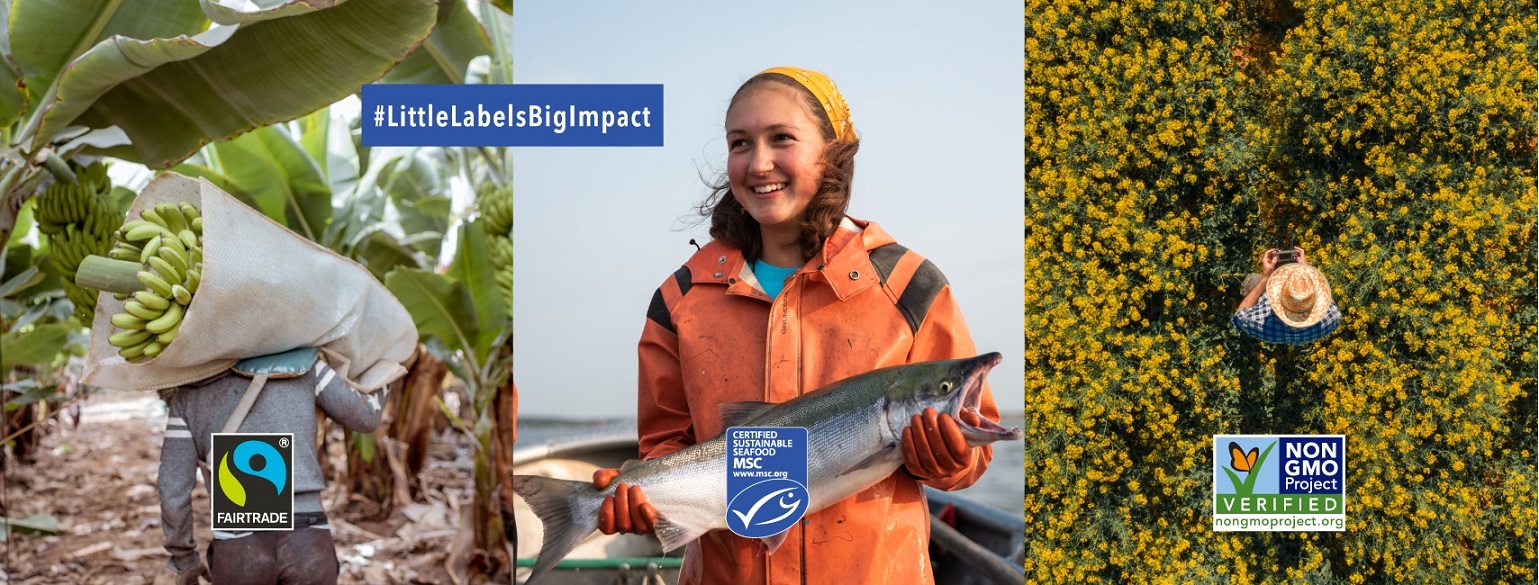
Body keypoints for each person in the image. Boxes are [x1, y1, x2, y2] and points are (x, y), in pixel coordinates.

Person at [589, 67, 1002, 584]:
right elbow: (666, 444)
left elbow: (970, 459)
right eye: (740, 143)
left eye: (781, 138)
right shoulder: (680, 300)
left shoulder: (909, 285)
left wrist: (949, 456)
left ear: (834, 152)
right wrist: (641, 499)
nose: (759, 162)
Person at [158, 348, 392, 584]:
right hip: (308, 543)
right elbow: (366, 417)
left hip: (239, 550)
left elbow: (172, 490)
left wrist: (184, 558)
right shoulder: (305, 367)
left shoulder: (188, 397)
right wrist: (386, 372)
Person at [1232, 246, 1341, 344]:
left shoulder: (1259, 323)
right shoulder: (1330, 320)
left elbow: (1240, 313)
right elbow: (1331, 304)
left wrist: (1266, 277)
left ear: (1276, 293)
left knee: (1254, 279)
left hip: (1269, 325)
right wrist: (1306, 269)